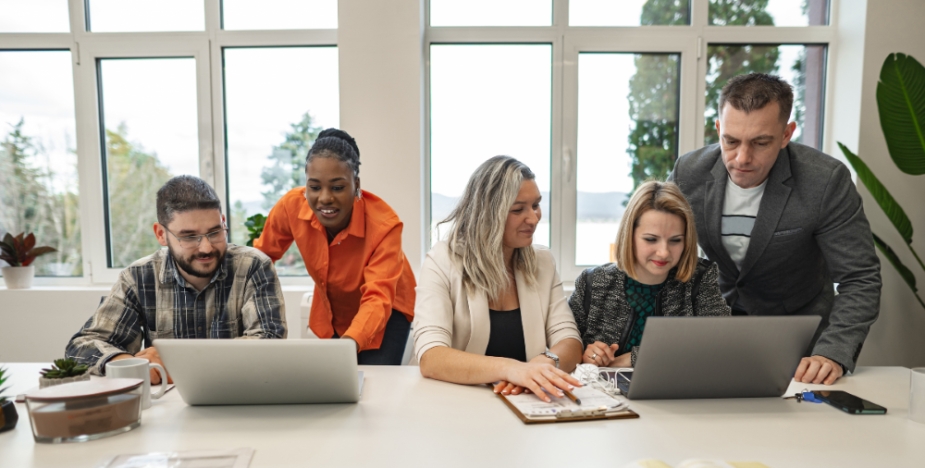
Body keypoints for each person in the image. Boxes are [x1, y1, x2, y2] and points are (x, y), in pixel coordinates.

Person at [668, 73, 882, 385]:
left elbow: (860, 278)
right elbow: (664, 257)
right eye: (731, 141)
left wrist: (833, 352)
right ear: (718, 129)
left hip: (802, 345)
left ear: (786, 134)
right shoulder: (689, 173)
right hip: (717, 333)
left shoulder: (825, 181)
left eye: (760, 142)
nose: (742, 158)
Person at [66, 175, 287, 383]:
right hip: (165, 406)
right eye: (189, 236)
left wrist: (181, 362)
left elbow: (269, 340)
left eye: (215, 232)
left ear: (223, 222)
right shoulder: (138, 277)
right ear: (161, 234)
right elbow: (82, 346)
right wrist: (127, 363)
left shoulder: (253, 266)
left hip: (236, 400)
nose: (206, 247)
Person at [413, 156, 583, 402]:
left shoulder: (543, 262)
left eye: (536, 205)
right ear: (487, 214)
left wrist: (545, 363)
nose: (534, 218)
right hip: (454, 404)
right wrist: (513, 369)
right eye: (518, 209)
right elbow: (431, 356)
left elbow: (569, 341)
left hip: (526, 404)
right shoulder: (442, 260)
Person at [255, 128, 415, 365]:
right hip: (334, 307)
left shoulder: (384, 226)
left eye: (338, 187)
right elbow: (260, 258)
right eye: (315, 187)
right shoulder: (291, 206)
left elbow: (377, 298)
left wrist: (349, 345)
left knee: (374, 384)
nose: (325, 198)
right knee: (336, 384)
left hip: (386, 311)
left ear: (356, 184)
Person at [568, 181, 731, 368]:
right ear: (629, 236)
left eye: (675, 240)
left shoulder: (701, 279)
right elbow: (562, 346)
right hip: (604, 395)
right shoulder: (592, 282)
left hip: (674, 395)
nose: (663, 252)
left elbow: (721, 345)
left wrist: (632, 358)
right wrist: (585, 355)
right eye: (651, 239)